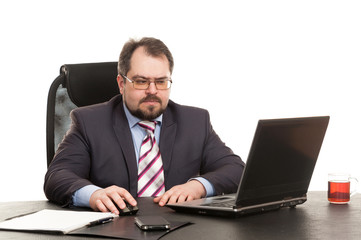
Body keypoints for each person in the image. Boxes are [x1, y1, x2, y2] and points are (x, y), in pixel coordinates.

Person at [44, 37, 245, 215]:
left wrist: (198, 187)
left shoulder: (195, 121)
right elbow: (57, 176)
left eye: (161, 81)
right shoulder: (88, 122)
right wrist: (94, 194)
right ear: (122, 83)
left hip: (179, 229)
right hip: (115, 230)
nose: (152, 91)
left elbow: (236, 169)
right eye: (141, 81)